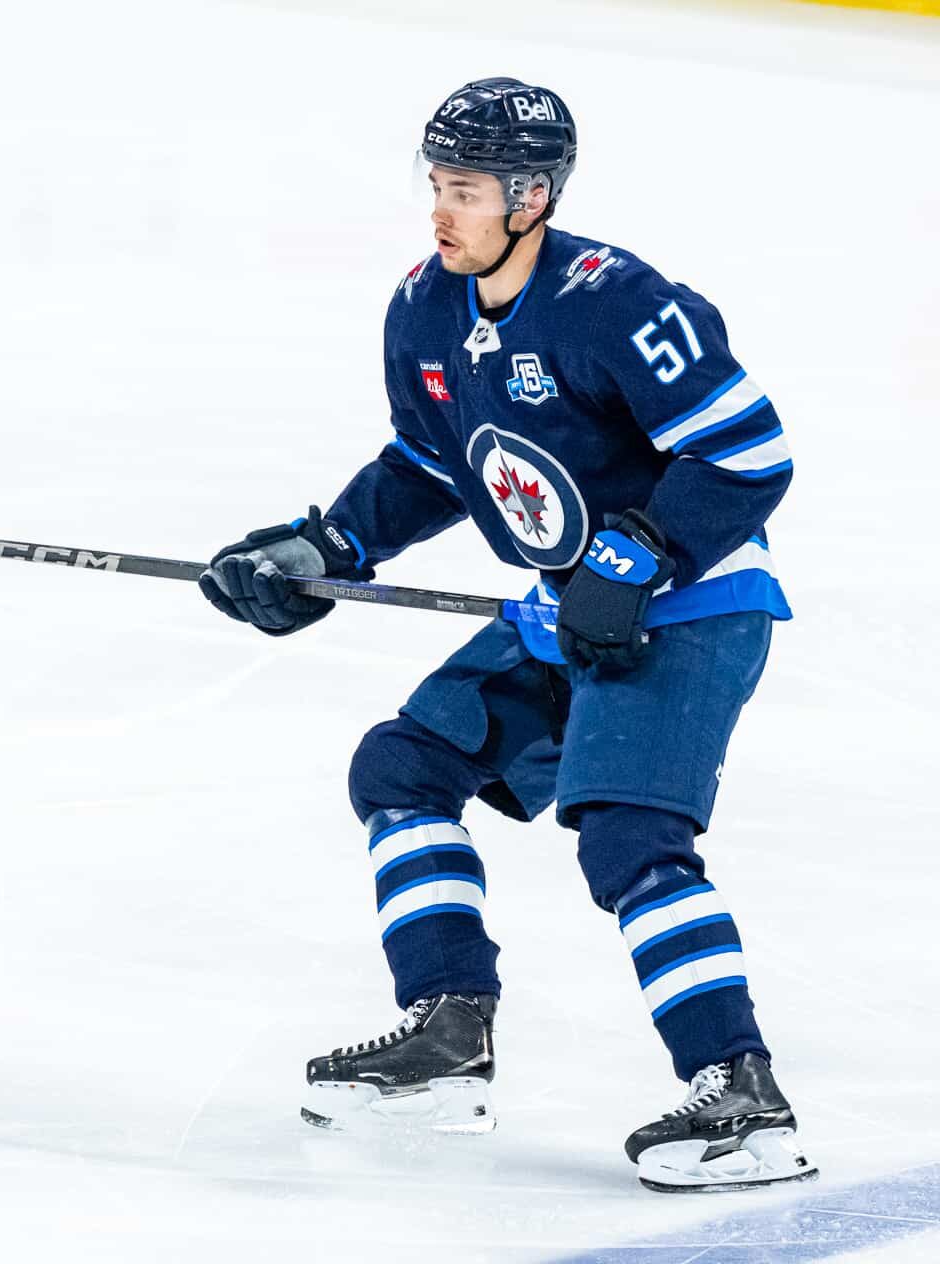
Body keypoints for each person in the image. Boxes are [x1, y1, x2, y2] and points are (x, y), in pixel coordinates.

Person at [199, 77, 816, 1192]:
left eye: (468, 191)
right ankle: (447, 1036)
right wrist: (329, 547)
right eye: (437, 184)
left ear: (531, 198)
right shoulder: (424, 308)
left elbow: (746, 451)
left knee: (628, 836)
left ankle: (742, 1094)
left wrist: (639, 557)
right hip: (564, 612)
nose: (443, 212)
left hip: (693, 608)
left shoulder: (613, 301)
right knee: (403, 768)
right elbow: (431, 464)